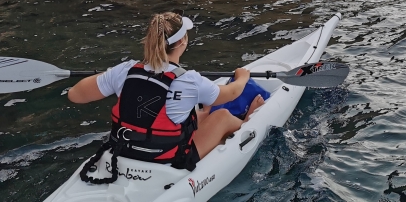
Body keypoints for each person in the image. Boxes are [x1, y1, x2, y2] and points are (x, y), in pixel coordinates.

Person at [67, 12, 265, 172]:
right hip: (168, 160)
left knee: (198, 114)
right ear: (182, 43)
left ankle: (204, 118)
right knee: (221, 115)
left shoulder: (125, 71)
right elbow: (231, 93)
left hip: (124, 153)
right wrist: (242, 77)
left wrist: (110, 75)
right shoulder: (189, 80)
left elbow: (74, 95)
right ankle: (247, 123)